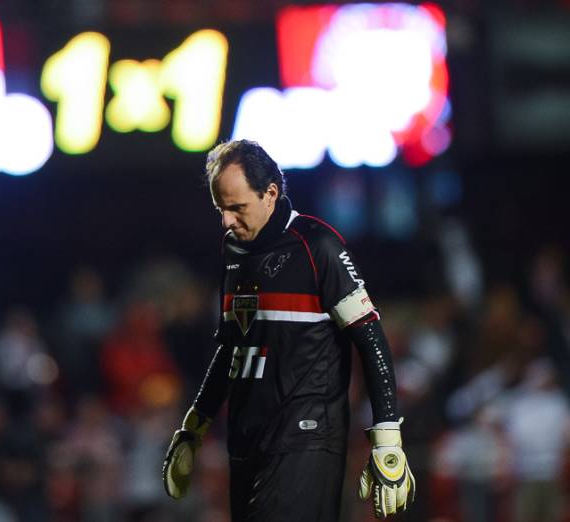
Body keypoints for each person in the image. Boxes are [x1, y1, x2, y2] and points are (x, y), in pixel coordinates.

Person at [162, 140, 414, 521]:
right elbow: (232, 347)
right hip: (246, 440)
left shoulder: (318, 246)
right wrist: (195, 425)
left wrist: (387, 437)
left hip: (305, 439)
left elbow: (371, 337)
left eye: (236, 208)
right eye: (221, 209)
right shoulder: (232, 251)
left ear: (270, 194)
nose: (227, 221)